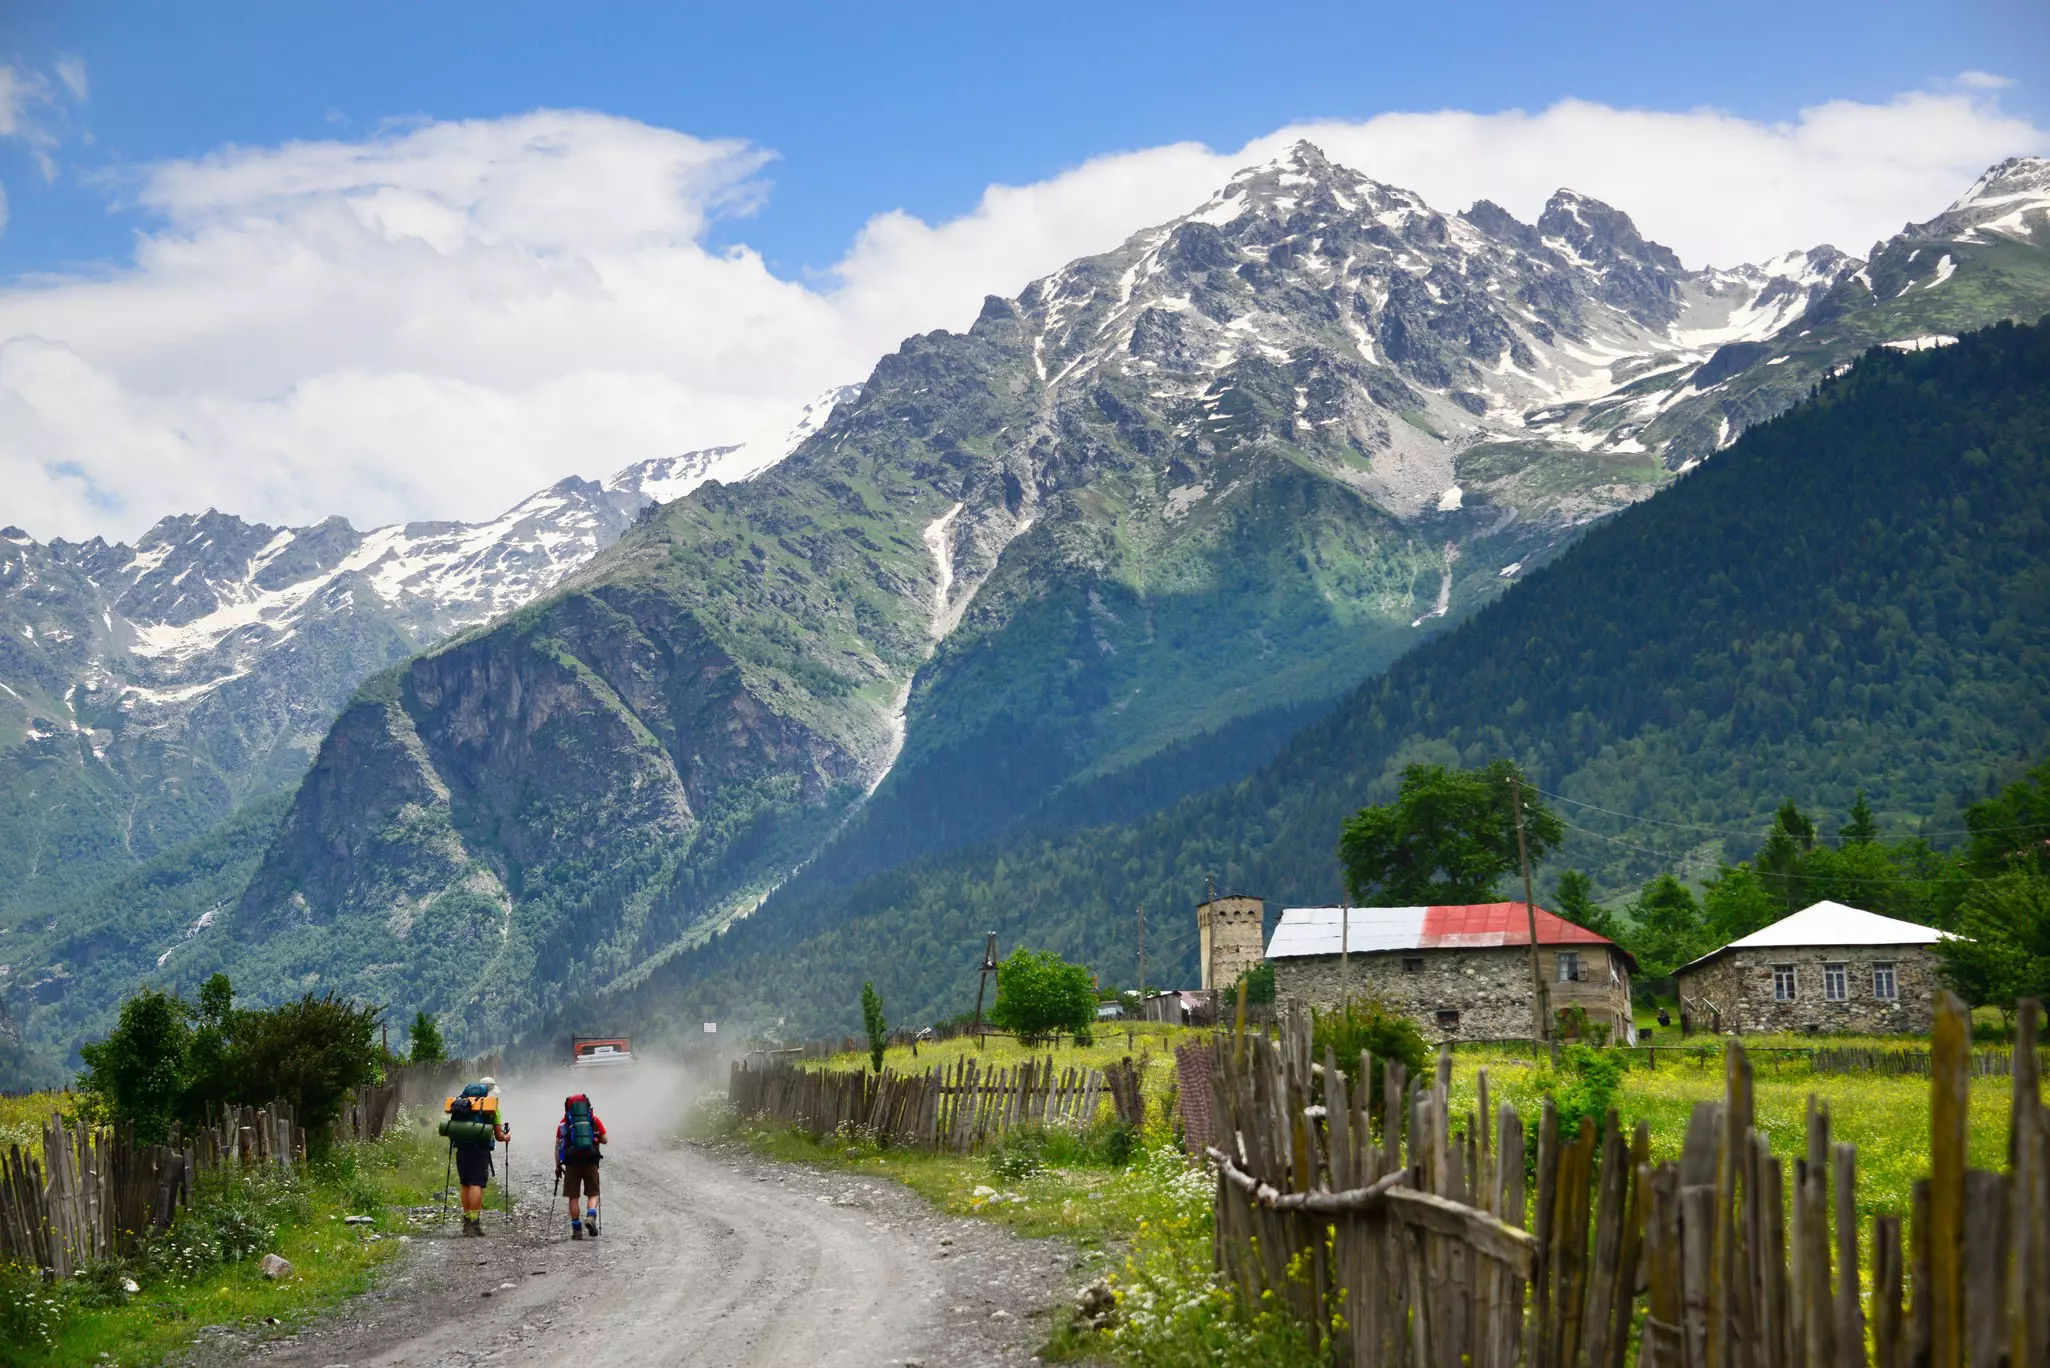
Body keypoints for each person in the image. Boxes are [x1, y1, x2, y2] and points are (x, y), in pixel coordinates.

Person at [449, 1078, 510, 1237]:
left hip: (462, 1149)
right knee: (476, 1183)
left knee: (465, 1184)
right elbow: (498, 1136)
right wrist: (506, 1137)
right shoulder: (491, 1108)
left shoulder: (460, 1106)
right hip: (480, 1150)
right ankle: (475, 1223)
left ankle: (466, 1221)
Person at [556, 1093, 608, 1240]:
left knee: (574, 1196)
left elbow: (558, 1145)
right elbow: (605, 1139)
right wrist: (595, 1137)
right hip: (590, 1160)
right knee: (592, 1193)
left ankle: (577, 1230)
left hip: (572, 1162)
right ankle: (591, 1215)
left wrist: (558, 1166)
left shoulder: (564, 1122)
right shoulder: (593, 1119)